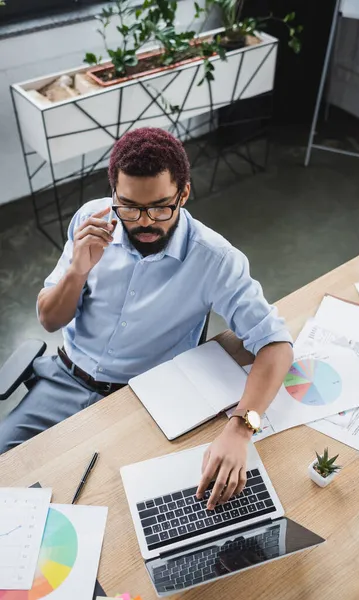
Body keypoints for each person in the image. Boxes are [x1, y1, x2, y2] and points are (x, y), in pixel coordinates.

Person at [0, 128, 293, 508]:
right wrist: (77, 271)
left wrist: (241, 428)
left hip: (140, 399)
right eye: (129, 208)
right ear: (113, 195)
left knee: (116, 507)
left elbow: (276, 345)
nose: (143, 223)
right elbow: (50, 320)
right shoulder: (92, 220)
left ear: (183, 193)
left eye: (160, 207)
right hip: (63, 379)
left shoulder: (214, 259)